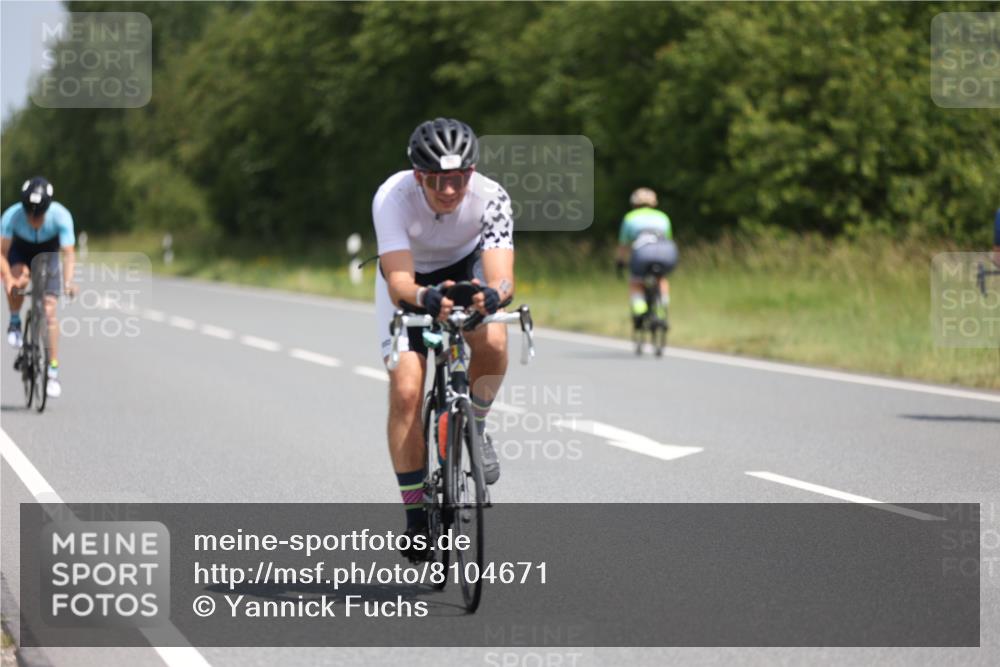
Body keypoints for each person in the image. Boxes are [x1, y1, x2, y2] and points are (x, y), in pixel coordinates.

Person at [372, 118, 515, 560]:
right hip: (411, 280)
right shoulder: (393, 197)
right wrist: (423, 297)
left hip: (465, 265)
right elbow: (397, 279)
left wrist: (492, 297)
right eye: (437, 180)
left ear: (470, 174)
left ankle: (476, 421)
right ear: (419, 176)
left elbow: (502, 278)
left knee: (492, 342)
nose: (449, 190)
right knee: (408, 390)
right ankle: (416, 517)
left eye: (457, 179)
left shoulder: (492, 198)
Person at [1, 177, 77, 398]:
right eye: (29, 214)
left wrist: (69, 282)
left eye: (39, 215)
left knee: (50, 310)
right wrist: (9, 278)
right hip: (20, 252)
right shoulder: (11, 216)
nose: (34, 220)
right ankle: (15, 322)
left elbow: (68, 254)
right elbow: (1, 253)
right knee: (17, 281)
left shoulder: (61, 216)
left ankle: (52, 370)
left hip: (48, 253)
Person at [615, 187, 677, 329]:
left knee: (636, 282)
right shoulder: (663, 216)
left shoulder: (630, 217)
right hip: (666, 252)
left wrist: (620, 262)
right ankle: (661, 311)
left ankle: (639, 311)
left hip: (642, 253)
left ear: (634, 203)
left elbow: (624, 245)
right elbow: (669, 239)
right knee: (661, 279)